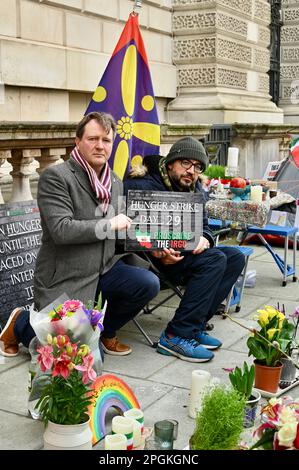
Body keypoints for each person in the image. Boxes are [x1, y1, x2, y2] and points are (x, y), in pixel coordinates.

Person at [0, 112, 160, 358]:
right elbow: (62, 230)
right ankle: (21, 323)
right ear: (78, 141)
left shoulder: (114, 181)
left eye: (106, 140)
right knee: (82, 358)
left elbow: (120, 230)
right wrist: (110, 223)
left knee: (147, 284)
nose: (100, 145)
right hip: (67, 277)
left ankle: (104, 331)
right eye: (92, 138)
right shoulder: (57, 177)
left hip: (104, 270)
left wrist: (156, 245)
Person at [124, 137, 245, 363]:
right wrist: (155, 249)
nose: (192, 171)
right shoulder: (139, 185)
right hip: (151, 262)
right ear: (171, 163)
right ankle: (176, 335)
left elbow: (206, 227)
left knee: (235, 257)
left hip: (186, 257)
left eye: (197, 167)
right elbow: (125, 231)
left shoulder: (195, 188)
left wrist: (205, 239)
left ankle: (194, 326)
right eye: (186, 164)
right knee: (216, 260)